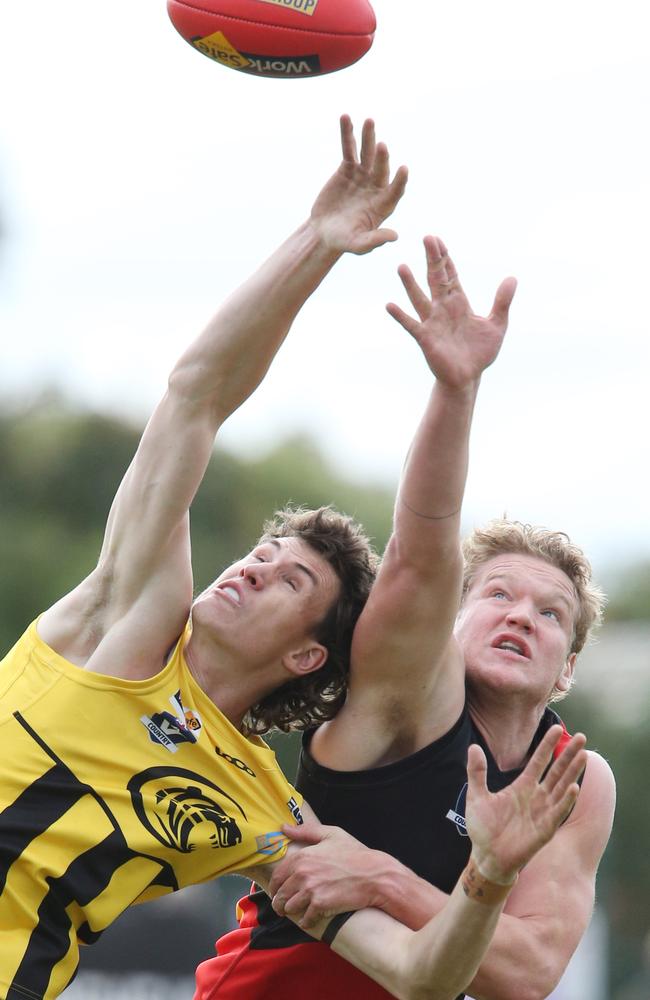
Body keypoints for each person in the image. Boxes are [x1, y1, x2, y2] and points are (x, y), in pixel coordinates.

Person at [0, 116, 587, 1000]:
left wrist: (489, 879)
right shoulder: (127, 617)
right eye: (261, 551)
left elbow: (423, 979)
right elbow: (196, 395)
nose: (251, 567)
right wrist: (317, 242)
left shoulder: (266, 810)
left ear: (308, 655)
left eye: (291, 578)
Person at [195, 236, 616, 1000]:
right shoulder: (409, 699)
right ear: (450, 626)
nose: (522, 616)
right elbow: (421, 559)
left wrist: (381, 876)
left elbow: (525, 975)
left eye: (550, 614)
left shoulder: (573, 780)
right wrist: (456, 391)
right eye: (497, 596)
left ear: (571, 666)